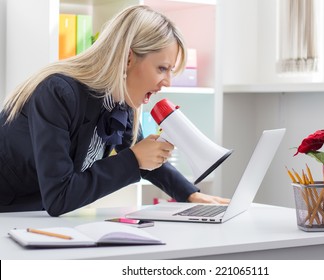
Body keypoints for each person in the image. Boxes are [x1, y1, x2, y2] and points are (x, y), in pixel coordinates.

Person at [0, 5, 228, 216]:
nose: (168, 81)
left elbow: (138, 153)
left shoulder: (118, 102)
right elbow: (59, 196)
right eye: (162, 68)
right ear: (128, 58)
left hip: (30, 216)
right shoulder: (59, 93)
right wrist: (134, 159)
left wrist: (190, 194)